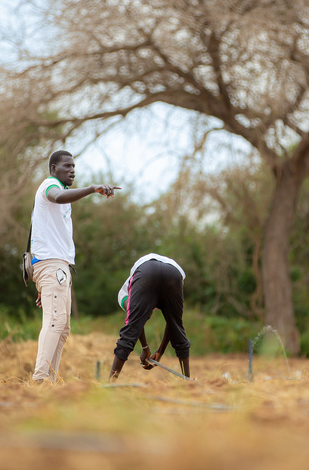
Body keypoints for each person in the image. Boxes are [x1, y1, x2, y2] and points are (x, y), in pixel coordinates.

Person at [30, 150, 119, 383]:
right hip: (51, 265)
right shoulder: (50, 185)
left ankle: (49, 379)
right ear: (53, 169)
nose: (72, 170)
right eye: (66, 166)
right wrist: (92, 189)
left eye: (74, 166)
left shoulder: (64, 192)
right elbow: (57, 196)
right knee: (55, 321)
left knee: (64, 326)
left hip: (58, 267)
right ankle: (40, 380)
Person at [108, 253, 191, 381]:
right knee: (177, 326)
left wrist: (149, 349)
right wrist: (151, 349)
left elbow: (135, 322)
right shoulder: (125, 296)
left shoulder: (123, 294)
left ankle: (111, 382)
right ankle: (188, 381)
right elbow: (172, 324)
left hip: (147, 270)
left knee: (129, 332)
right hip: (174, 272)